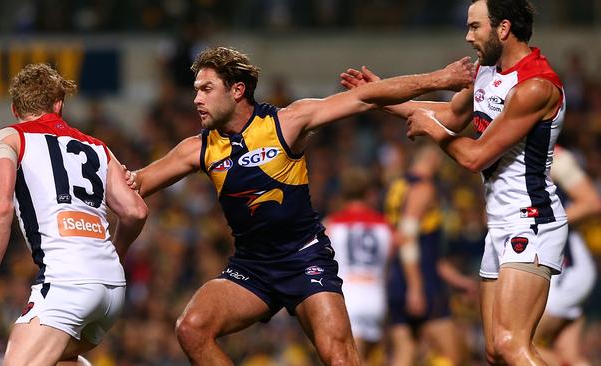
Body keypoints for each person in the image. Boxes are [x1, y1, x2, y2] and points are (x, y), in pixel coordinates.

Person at [126, 46, 473, 365]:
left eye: (206, 89)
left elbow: (366, 98)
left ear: (237, 90)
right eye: (196, 89)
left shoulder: (286, 122)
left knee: (339, 358)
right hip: (252, 267)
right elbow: (137, 182)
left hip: (304, 258)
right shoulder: (198, 148)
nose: (196, 99)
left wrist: (441, 78)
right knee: (191, 328)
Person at [342, 0, 567, 364]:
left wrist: (434, 133)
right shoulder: (486, 73)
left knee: (511, 344)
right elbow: (447, 114)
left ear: (503, 28)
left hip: (533, 219)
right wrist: (380, 96)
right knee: (494, 351)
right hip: (500, 224)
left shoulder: (535, 87)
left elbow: (476, 156)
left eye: (475, 27)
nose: (468, 36)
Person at [0, 64, 148, 366]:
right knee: (59, 358)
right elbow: (135, 211)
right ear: (59, 105)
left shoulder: (10, 138)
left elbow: (1, 206)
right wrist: (116, 254)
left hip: (67, 283)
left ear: (15, 109)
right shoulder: (98, 147)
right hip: (111, 290)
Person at [384, 144, 475, 366]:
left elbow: (428, 252)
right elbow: (408, 238)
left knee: (406, 351)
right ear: (434, 160)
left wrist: (460, 281)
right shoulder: (424, 189)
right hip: (421, 283)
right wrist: (415, 287)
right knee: (454, 355)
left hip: (397, 280)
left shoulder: (397, 186)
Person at [534, 146, 600, 366]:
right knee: (570, 357)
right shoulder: (509, 148)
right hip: (557, 270)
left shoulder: (554, 155)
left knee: (516, 344)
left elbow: (591, 202)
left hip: (566, 269)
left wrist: (540, 223)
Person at [325, 167, 394, 364]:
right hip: (376, 296)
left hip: (348, 297)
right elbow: (393, 257)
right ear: (369, 193)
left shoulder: (331, 224)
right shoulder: (385, 225)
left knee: (352, 359)